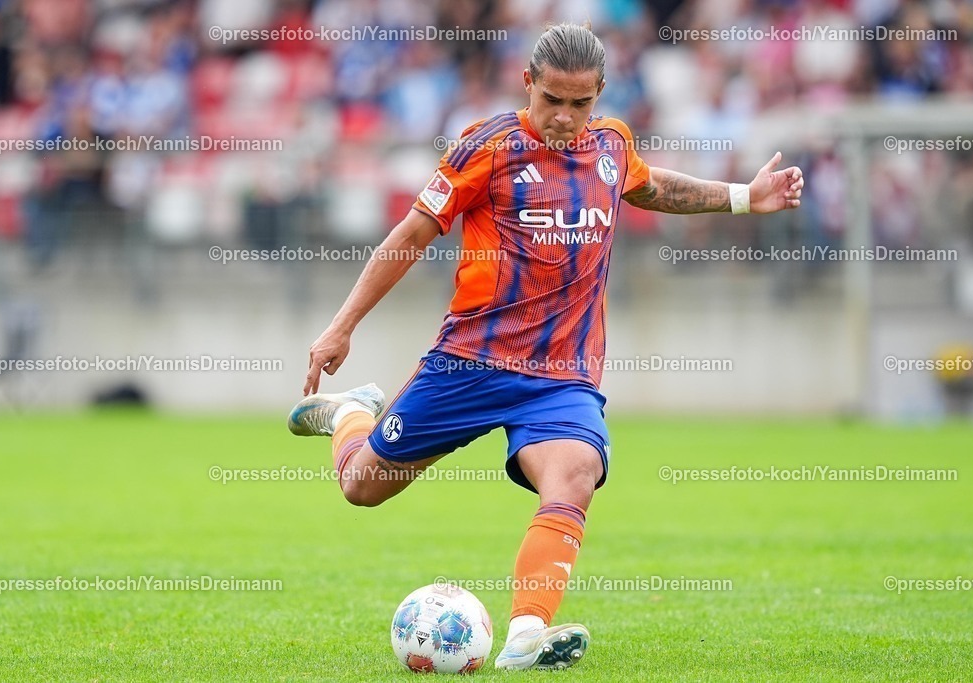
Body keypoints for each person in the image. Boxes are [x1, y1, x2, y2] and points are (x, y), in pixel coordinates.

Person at [288, 22, 804, 671]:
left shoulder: (612, 144)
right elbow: (413, 232)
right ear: (527, 83)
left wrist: (742, 198)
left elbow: (646, 186)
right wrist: (342, 325)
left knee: (574, 474)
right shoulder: (486, 146)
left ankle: (526, 634)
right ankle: (350, 413)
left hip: (563, 374)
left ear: (600, 96)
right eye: (551, 100)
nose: (563, 117)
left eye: (579, 103)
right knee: (361, 487)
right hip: (469, 362)